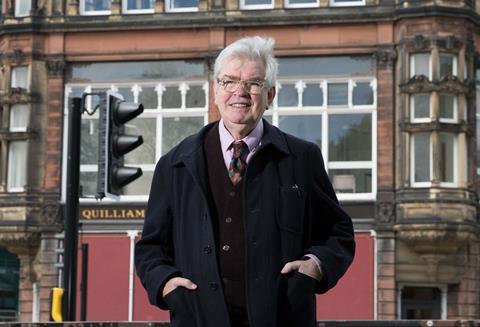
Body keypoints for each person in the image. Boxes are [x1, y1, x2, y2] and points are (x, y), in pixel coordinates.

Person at [135, 36, 355, 327]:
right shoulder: (175, 164)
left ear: (270, 95)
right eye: (229, 81)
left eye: (254, 83)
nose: (240, 92)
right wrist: (167, 284)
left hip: (282, 318)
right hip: (197, 319)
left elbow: (337, 233)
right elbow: (150, 247)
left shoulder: (302, 159)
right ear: (215, 90)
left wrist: (314, 267)